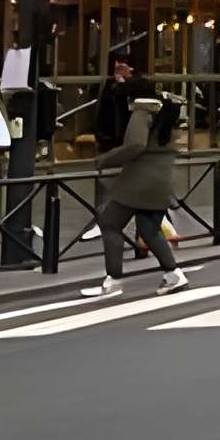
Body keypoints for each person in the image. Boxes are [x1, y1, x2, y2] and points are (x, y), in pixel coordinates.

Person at [81, 84, 187, 298]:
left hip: (139, 182)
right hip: (161, 181)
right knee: (149, 230)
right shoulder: (165, 112)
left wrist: (105, 159)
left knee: (109, 222)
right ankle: (174, 274)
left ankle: (113, 280)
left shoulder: (141, 113)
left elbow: (135, 145)